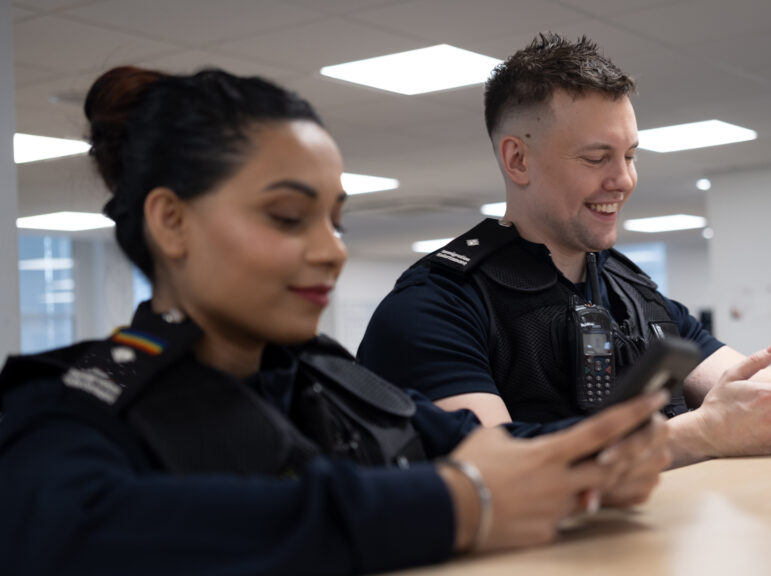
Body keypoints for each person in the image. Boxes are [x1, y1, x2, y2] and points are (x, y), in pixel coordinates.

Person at [0, 66, 673, 576]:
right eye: (289, 218)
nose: (331, 250)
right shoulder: (69, 409)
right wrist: (456, 504)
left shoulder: (328, 378)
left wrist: (597, 456)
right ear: (171, 222)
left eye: (335, 220)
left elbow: (484, 445)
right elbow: (76, 532)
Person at [358, 32, 771, 468]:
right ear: (517, 160)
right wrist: (697, 433)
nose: (624, 180)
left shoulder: (631, 290)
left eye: (630, 154)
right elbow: (493, 463)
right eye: (596, 157)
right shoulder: (436, 305)